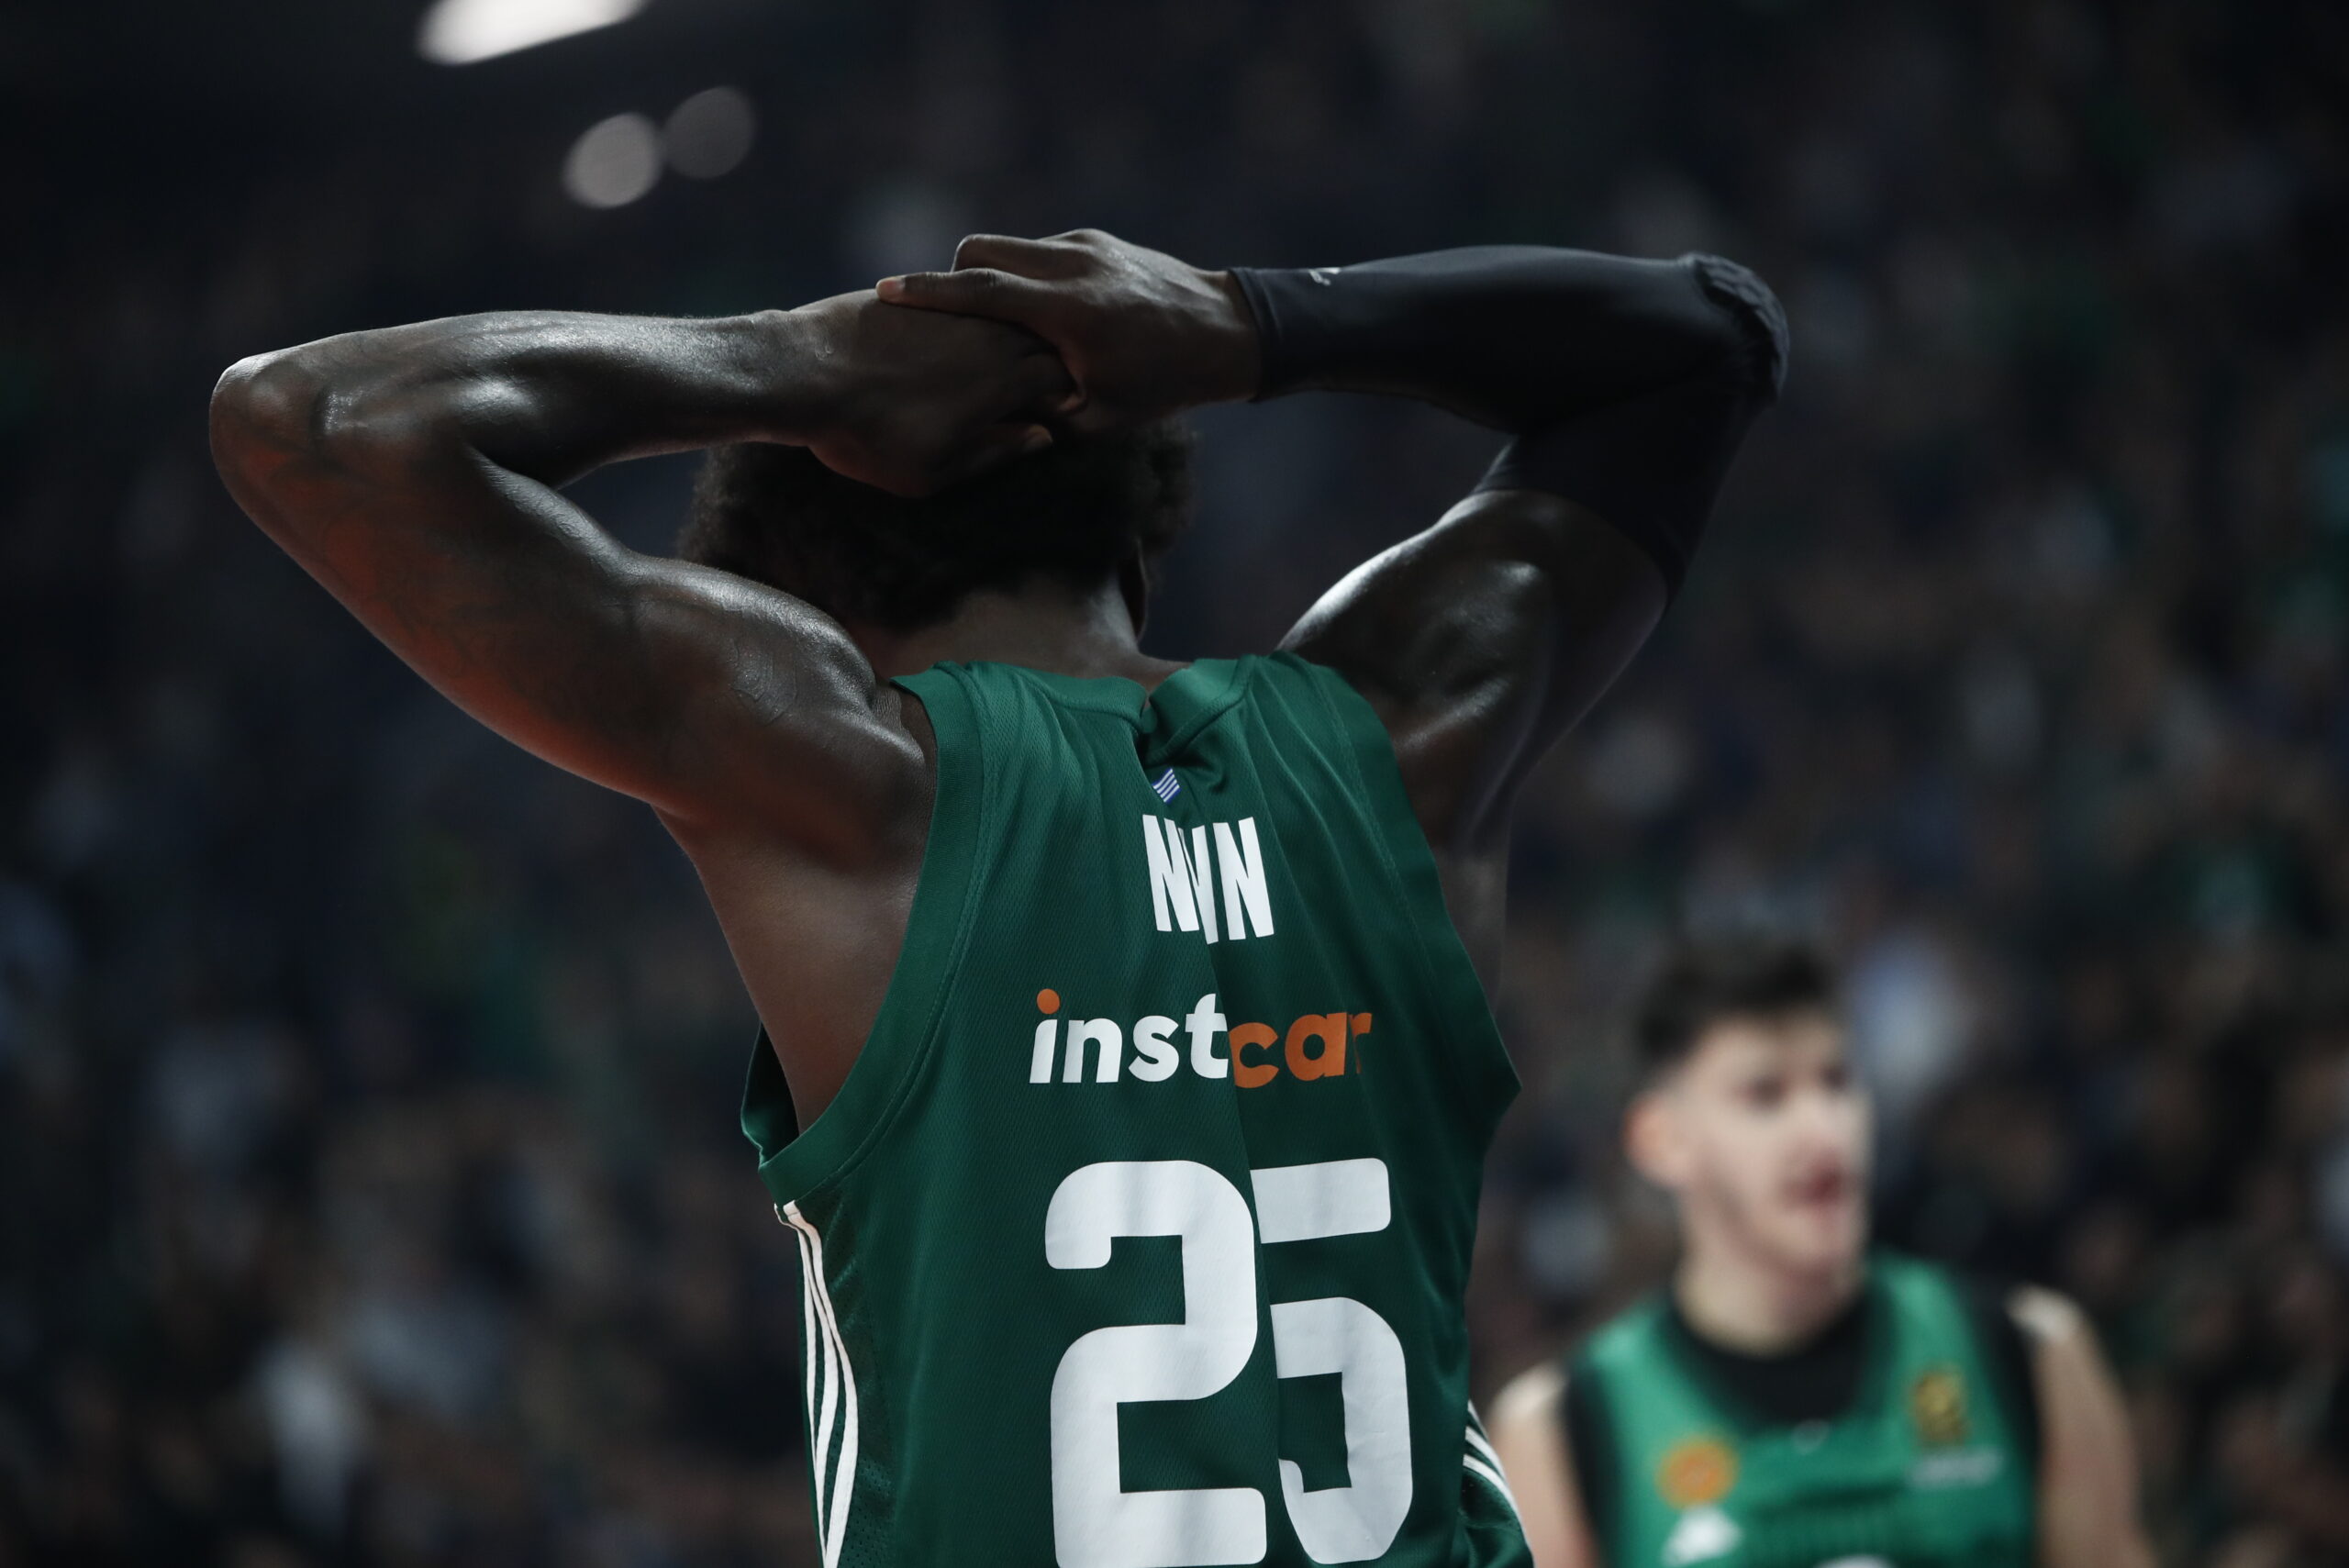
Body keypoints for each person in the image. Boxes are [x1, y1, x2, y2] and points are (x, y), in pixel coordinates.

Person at [208, 228, 1785, 1568]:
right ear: (1138, 547)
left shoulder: (853, 787)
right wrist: (1247, 323)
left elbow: (305, 421)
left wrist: (806, 363)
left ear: (798, 617)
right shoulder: (1400, 748)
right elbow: (1706, 341)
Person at [1487, 937, 2152, 1568]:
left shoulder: (2029, 1350)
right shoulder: (1561, 1432)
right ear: (1662, 1139)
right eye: (1764, 1095)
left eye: (1837, 1082)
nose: (1823, 1129)